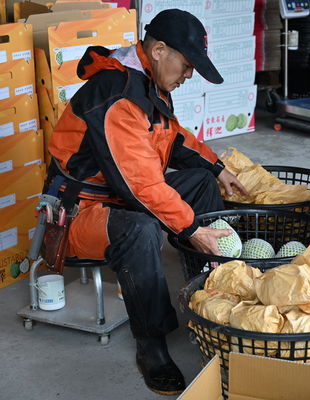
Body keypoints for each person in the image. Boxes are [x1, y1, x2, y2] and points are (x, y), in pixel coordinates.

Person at [46, 9, 247, 396]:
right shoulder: (118, 95)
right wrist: (189, 228)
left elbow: (171, 137)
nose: (189, 75)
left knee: (201, 183)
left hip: (121, 196)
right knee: (140, 228)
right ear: (158, 50)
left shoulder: (145, 83)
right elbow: (141, 185)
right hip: (77, 214)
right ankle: (151, 344)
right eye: (187, 65)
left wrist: (217, 166)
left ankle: (210, 282)